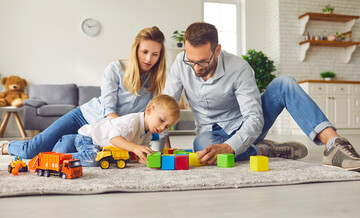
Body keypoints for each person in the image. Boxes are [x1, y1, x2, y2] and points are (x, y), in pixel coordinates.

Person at [163, 22, 360, 170]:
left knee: (285, 83)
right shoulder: (181, 64)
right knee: (202, 146)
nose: (196, 68)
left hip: (246, 127)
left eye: (203, 62)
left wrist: (230, 147)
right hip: (209, 133)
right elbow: (164, 107)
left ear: (217, 50)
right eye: (191, 61)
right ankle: (265, 150)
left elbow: (255, 118)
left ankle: (335, 145)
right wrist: (158, 148)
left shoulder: (239, 68)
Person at [1, 26, 167, 159]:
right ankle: (6, 147)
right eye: (144, 52)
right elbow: (109, 110)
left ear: (160, 56)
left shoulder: (156, 82)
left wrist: (166, 149)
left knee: (59, 154)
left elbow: (159, 118)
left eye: (155, 54)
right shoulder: (115, 69)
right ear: (136, 50)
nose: (148, 59)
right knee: (32, 150)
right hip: (84, 118)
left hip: (101, 135)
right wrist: (123, 137)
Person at [54, 94, 180, 166]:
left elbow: (138, 154)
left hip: (102, 146)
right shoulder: (132, 121)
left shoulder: (148, 134)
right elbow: (114, 139)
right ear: (149, 110)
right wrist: (135, 148)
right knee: (94, 159)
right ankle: (62, 159)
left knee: (121, 158)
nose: (163, 128)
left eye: (167, 126)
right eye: (162, 121)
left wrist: (145, 159)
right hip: (89, 137)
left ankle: (69, 144)